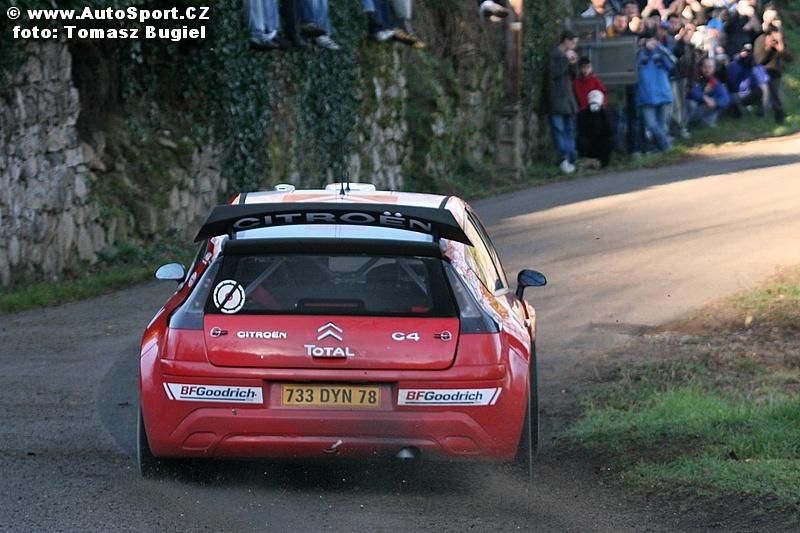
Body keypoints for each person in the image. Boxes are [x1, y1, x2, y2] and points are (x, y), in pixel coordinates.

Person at [548, 30, 580, 174]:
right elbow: (554, 74)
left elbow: (574, 76)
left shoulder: (567, 55)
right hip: (557, 99)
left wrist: (573, 63)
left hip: (568, 99)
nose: (574, 45)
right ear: (566, 40)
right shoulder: (555, 55)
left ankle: (572, 158)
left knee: (570, 130)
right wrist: (566, 61)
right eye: (573, 42)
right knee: (560, 130)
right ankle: (564, 159)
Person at [637, 36, 676, 151]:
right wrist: (642, 48)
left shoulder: (661, 52)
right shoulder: (639, 53)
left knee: (662, 125)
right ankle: (667, 146)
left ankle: (661, 150)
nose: (652, 43)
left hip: (663, 93)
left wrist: (660, 48)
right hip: (646, 96)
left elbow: (673, 63)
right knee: (652, 125)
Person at [754, 25, 793, 123]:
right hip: (762, 72)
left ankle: (780, 117)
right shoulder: (760, 40)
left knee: (776, 95)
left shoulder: (781, 40)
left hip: (775, 71)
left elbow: (789, 59)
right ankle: (761, 117)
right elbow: (758, 61)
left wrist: (781, 49)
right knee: (764, 94)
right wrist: (767, 49)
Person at [727, 43, 770, 117]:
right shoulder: (733, 65)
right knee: (733, 98)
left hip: (749, 93)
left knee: (762, 89)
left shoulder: (756, 67)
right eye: (745, 52)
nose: (746, 54)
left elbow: (764, 84)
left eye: (749, 52)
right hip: (736, 94)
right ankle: (737, 111)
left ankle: (761, 112)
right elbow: (731, 83)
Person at [687, 57, 731, 127]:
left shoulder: (715, 81)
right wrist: (704, 98)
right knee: (691, 104)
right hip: (694, 106)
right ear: (701, 67)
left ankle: (705, 122)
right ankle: (685, 125)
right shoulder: (696, 78)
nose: (707, 69)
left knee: (720, 102)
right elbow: (692, 92)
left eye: (710, 67)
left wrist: (716, 102)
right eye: (705, 67)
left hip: (704, 107)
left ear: (714, 69)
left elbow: (726, 98)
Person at [577, 90, 615, 167]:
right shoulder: (582, 114)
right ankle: (587, 159)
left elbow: (609, 131)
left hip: (601, 141)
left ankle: (600, 162)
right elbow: (581, 131)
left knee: (609, 140)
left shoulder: (605, 114)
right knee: (581, 140)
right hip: (588, 143)